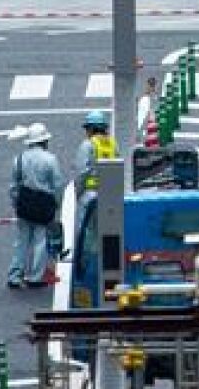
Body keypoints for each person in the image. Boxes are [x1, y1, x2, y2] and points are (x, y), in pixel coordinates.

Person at [8, 123, 65, 289]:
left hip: (25, 202)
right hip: (43, 203)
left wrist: (15, 203)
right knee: (41, 240)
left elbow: (14, 185)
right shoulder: (50, 159)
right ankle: (35, 276)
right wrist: (57, 205)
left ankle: (14, 275)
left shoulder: (19, 159)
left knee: (21, 241)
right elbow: (57, 184)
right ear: (44, 141)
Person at [72, 109, 116, 277]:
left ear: (90, 129)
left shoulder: (88, 145)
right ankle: (105, 266)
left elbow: (82, 172)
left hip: (90, 195)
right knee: (106, 232)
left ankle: (87, 269)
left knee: (86, 234)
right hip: (108, 195)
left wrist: (78, 192)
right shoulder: (112, 144)